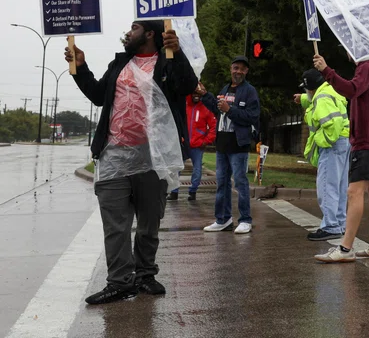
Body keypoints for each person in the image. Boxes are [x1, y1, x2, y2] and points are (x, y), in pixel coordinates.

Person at [66, 20, 198, 305]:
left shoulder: (167, 62)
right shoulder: (120, 64)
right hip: (114, 155)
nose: (127, 32)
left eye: (134, 28)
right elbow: (100, 96)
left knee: (149, 224)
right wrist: (81, 68)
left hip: (154, 157)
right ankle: (119, 283)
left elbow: (187, 86)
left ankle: (145, 275)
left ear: (150, 34)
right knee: (116, 225)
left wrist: (178, 53)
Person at [312, 52, 369, 263]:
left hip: (366, 140)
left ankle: (346, 248)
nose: (347, 51)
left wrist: (326, 70)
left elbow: (351, 89)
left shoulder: (366, 67)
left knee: (354, 191)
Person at [199, 56, 261, 234]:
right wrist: (205, 95)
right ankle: (223, 219)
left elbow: (252, 116)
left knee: (240, 183)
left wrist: (230, 110)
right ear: (230, 69)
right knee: (222, 184)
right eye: (235, 68)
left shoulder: (250, 92)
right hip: (222, 145)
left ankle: (245, 220)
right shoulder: (225, 89)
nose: (238, 71)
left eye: (242, 69)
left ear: (246, 71)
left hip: (239, 146)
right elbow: (217, 109)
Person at [296, 68, 351, 242]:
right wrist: (303, 99)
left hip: (332, 145)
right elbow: (317, 102)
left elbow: (331, 124)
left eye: (306, 90)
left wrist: (322, 141)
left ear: (310, 89)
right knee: (340, 187)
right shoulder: (329, 90)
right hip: (344, 141)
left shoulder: (321, 98)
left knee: (327, 187)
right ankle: (339, 224)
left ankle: (330, 226)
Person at [168, 83, 217, 201]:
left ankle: (193, 191)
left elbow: (214, 126)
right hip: (184, 144)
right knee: (177, 167)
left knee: (197, 169)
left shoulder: (206, 108)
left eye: (198, 93)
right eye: (194, 92)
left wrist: (206, 141)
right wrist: (179, 137)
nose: (196, 95)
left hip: (197, 145)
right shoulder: (184, 106)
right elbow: (176, 122)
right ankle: (174, 192)